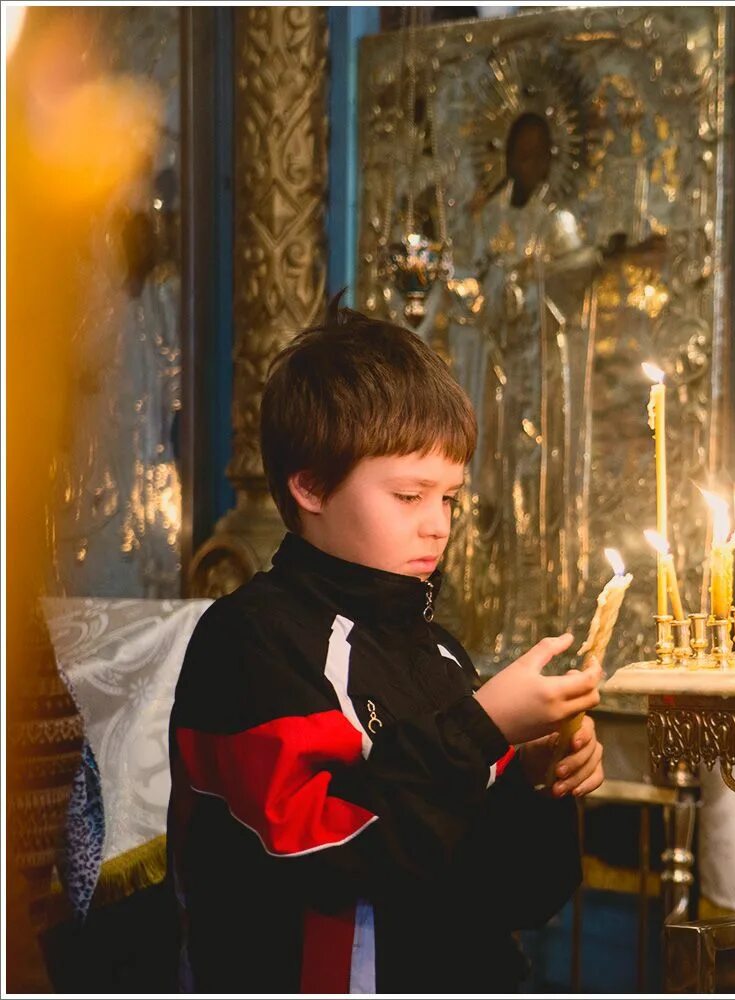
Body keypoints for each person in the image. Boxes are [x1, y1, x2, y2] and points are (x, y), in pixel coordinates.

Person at [167, 301, 605, 992]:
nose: (437, 527)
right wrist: (480, 731)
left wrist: (533, 778)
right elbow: (324, 854)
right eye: (409, 496)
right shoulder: (248, 642)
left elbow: (515, 897)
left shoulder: (437, 653)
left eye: (450, 499)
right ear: (309, 483)